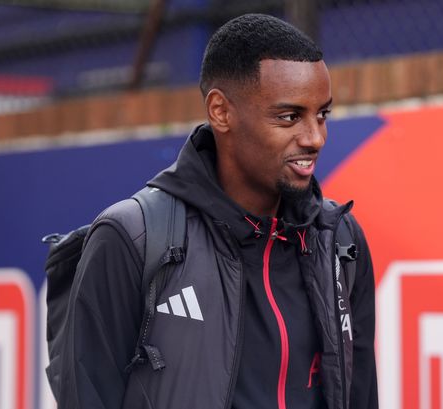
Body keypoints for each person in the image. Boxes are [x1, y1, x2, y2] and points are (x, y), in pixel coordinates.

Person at [58, 13, 378, 409]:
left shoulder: (341, 241)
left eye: (322, 114)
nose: (315, 137)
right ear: (221, 112)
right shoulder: (131, 238)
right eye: (290, 117)